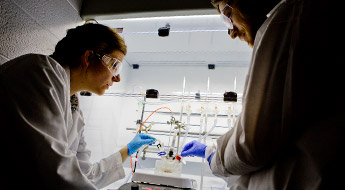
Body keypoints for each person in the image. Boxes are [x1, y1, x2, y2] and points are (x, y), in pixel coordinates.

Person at [182, 0, 345, 189]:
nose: (232, 32)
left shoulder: (288, 20)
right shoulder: (294, 21)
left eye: (227, 16)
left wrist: (214, 156)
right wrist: (213, 152)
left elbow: (252, 146)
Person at [0, 23, 155, 189]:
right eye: (115, 66)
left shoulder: (73, 106)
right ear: (88, 58)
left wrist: (128, 149)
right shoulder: (41, 71)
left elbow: (85, 176)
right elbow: (54, 173)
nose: (117, 78)